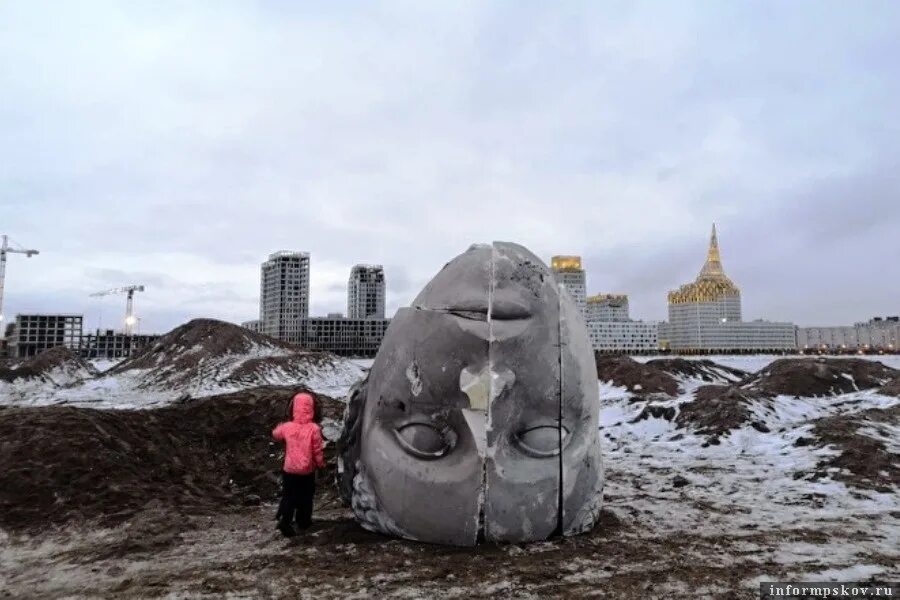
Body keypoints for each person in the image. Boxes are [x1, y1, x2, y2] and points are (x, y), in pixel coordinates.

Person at [272, 391, 326, 537]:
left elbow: (275, 434)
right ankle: (303, 521)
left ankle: (285, 521)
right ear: (311, 408)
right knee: (306, 496)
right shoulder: (314, 429)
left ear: (294, 408)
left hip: (289, 469)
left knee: (289, 495)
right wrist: (321, 465)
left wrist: (282, 425)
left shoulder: (288, 427)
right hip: (306, 470)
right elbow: (317, 451)